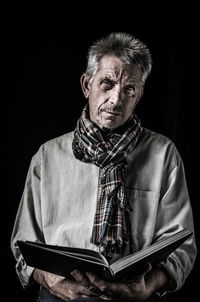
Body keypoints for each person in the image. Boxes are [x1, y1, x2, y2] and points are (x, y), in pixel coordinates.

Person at [11, 32, 197, 302]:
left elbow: (183, 247)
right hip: (60, 298)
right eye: (107, 84)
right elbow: (23, 245)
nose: (116, 99)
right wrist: (53, 283)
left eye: (129, 89)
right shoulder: (48, 156)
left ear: (140, 94)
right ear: (87, 85)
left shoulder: (163, 153)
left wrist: (144, 288)